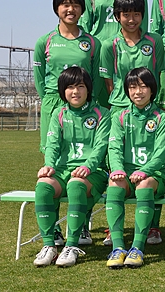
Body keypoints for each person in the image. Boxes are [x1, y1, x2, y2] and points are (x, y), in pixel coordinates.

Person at [32, 67, 110, 268]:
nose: (75, 92)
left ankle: (72, 246)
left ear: (88, 88)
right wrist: (49, 165)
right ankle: (49, 245)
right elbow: (52, 145)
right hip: (63, 170)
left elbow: (101, 147)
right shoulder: (58, 113)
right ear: (63, 90)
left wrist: (88, 166)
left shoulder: (102, 113)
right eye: (70, 87)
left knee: (76, 185)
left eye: (80, 86)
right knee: (43, 186)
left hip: (94, 172)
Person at [105, 68, 165, 268]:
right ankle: (118, 247)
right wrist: (117, 169)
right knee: (114, 183)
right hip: (127, 173)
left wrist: (145, 171)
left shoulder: (162, 117)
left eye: (143, 87)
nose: (138, 92)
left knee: (144, 185)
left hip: (154, 175)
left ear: (152, 89)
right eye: (133, 87)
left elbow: (161, 153)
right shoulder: (120, 116)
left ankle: (137, 248)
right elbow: (114, 147)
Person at [34, 0, 102, 157]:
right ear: (56, 8)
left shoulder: (93, 43)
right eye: (65, 5)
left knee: (81, 152)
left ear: (82, 10)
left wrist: (88, 100)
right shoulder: (45, 41)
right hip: (53, 101)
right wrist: (49, 99)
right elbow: (39, 77)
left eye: (76, 5)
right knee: (52, 152)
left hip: (82, 103)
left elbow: (97, 77)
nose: (71, 9)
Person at [80, 0, 148, 107]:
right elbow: (86, 23)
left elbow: (143, 22)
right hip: (100, 52)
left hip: (127, 51)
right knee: (99, 103)